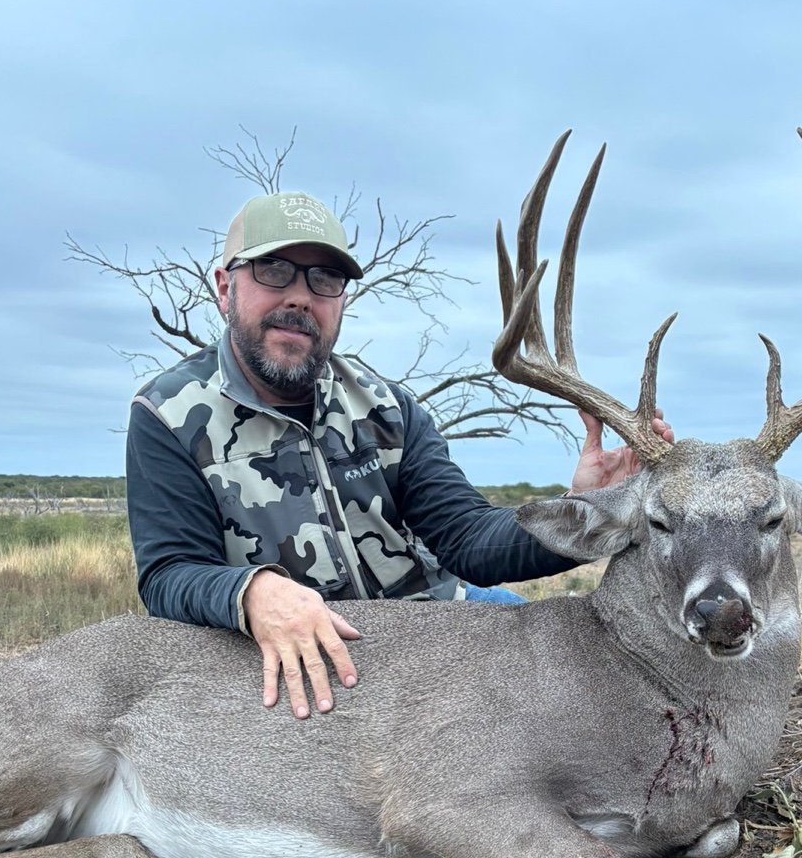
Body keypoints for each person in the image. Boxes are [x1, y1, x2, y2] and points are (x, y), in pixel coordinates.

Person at [126, 189, 673, 720]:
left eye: (324, 279)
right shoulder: (169, 415)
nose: (299, 297)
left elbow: (469, 539)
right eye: (273, 271)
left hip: (435, 622)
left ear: (341, 300)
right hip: (307, 644)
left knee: (594, 698)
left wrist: (586, 508)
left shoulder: (386, 406)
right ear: (225, 288)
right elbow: (170, 575)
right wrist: (252, 593)